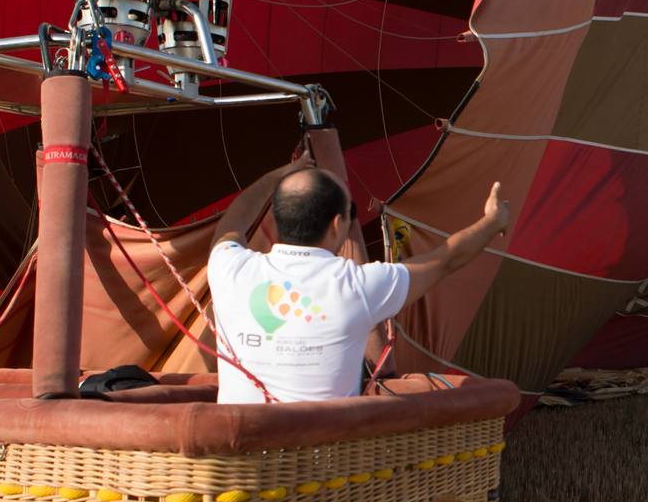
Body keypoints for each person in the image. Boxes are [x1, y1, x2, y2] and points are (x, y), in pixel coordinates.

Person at [206, 158, 511, 403]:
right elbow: (446, 258)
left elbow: (234, 219)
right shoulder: (359, 286)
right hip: (324, 468)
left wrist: (285, 171)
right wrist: (492, 222)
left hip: (235, 465)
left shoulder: (228, 268)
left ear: (275, 218)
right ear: (338, 224)